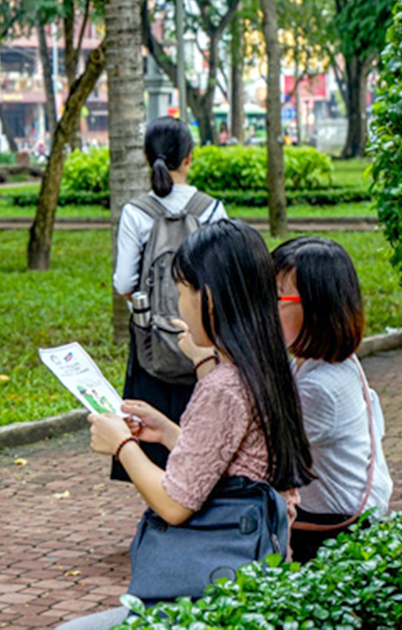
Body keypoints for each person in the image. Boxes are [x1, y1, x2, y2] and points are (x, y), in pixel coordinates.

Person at [59, 220, 314, 629]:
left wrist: (123, 445)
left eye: (181, 292)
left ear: (208, 298)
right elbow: (239, 465)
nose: (179, 304)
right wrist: (169, 432)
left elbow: (174, 504)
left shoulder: (225, 385)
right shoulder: (267, 369)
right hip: (259, 569)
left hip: (215, 594)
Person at [110, 116, 227, 481]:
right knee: (205, 436)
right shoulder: (211, 209)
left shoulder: (137, 213)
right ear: (189, 157)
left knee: (151, 438)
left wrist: (149, 314)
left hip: (151, 346)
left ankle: (159, 511)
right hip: (204, 342)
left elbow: (124, 281)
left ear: (148, 158)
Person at [273, 236, 393, 562]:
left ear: (316, 307)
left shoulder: (322, 388)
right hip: (331, 519)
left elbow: (256, 452)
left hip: (335, 534)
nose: (266, 307)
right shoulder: (310, 361)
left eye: (277, 296)